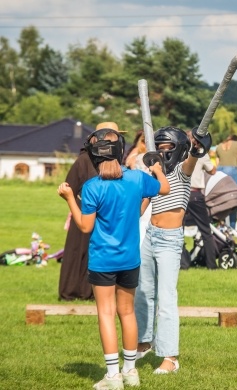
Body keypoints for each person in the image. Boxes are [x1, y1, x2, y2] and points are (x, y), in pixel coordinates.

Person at [57, 123, 170, 389]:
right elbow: (162, 189)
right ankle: (130, 371)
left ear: (94, 154)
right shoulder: (137, 179)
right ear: (120, 150)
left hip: (103, 260)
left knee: (106, 314)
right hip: (130, 259)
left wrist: (69, 198)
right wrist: (156, 170)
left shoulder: (92, 187)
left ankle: (112, 376)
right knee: (127, 313)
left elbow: (85, 226)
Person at [135, 126, 210, 374]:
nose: (164, 154)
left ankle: (170, 357)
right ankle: (144, 343)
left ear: (177, 150)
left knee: (167, 298)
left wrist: (198, 148)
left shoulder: (181, 172)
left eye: (169, 149)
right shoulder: (154, 177)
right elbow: (141, 209)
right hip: (150, 237)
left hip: (169, 240)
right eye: (160, 149)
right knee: (143, 292)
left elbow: (192, 159)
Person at [58, 147, 97, 301]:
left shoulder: (114, 159)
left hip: (105, 211)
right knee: (76, 248)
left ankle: (89, 291)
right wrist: (76, 204)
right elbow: (68, 187)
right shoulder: (85, 160)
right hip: (83, 208)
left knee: (94, 251)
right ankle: (71, 290)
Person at [184, 131, 217, 269]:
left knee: (178, 230)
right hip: (196, 194)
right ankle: (211, 264)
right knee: (205, 230)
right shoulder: (202, 153)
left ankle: (183, 263)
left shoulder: (181, 151)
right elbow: (212, 171)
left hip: (182, 193)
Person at [215, 134, 237, 228]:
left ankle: (221, 227)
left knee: (221, 201)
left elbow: (216, 164)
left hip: (219, 173)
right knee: (234, 201)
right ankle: (232, 228)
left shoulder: (219, 146)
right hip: (232, 171)